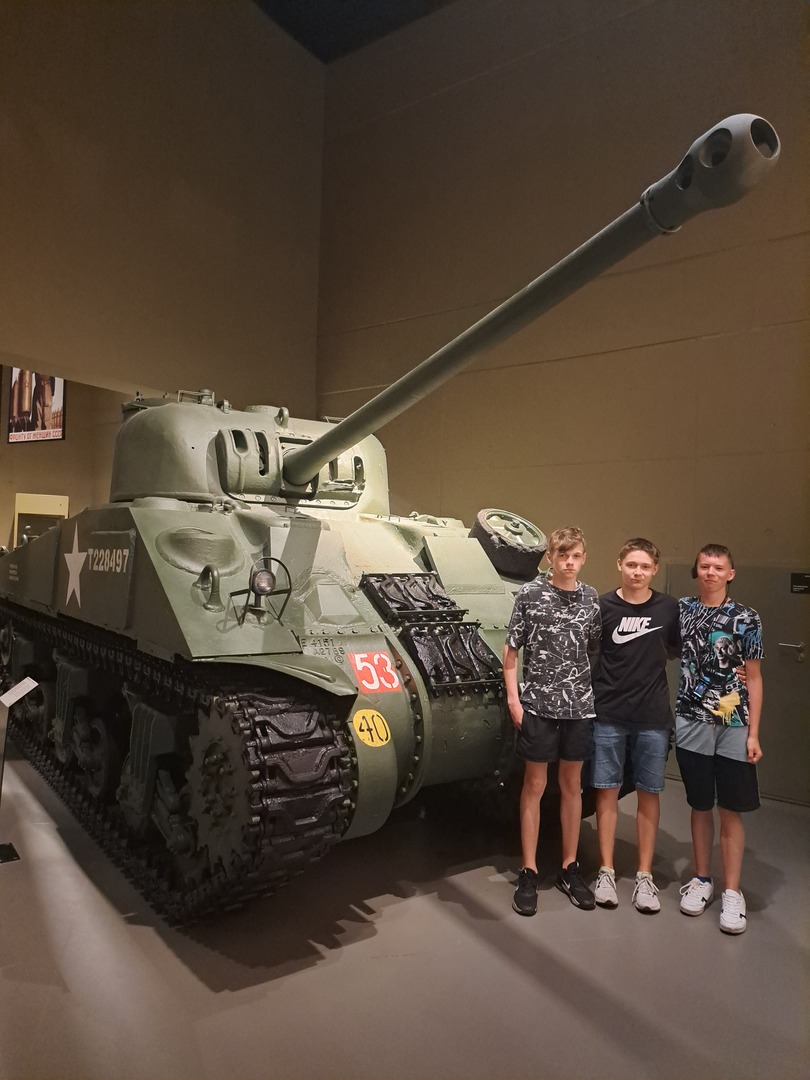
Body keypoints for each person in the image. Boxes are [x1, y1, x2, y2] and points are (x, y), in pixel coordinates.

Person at [503, 526, 601, 916]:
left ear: (584, 558)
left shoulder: (591, 598)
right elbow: (511, 651)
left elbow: (593, 649)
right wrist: (514, 700)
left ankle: (569, 867)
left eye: (575, 556)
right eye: (562, 555)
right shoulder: (530, 595)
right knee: (534, 785)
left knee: (572, 786)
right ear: (550, 557)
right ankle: (528, 870)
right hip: (539, 707)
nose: (569, 563)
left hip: (578, 709)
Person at [675, 544, 764, 935]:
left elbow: (754, 677)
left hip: (733, 722)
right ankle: (702, 880)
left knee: (730, 808)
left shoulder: (746, 617)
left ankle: (731, 891)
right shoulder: (681, 610)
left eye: (718, 567)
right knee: (699, 804)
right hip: (691, 720)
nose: (710, 572)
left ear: (730, 573)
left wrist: (754, 733)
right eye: (705, 566)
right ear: (697, 570)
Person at [590, 538, 680, 913]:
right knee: (607, 791)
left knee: (649, 792)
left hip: (652, 717)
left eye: (644, 566)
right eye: (631, 565)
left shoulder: (669, 608)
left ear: (654, 570)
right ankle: (606, 871)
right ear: (619, 565)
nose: (637, 572)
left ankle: (645, 876)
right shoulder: (601, 607)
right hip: (608, 714)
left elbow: (679, 651)